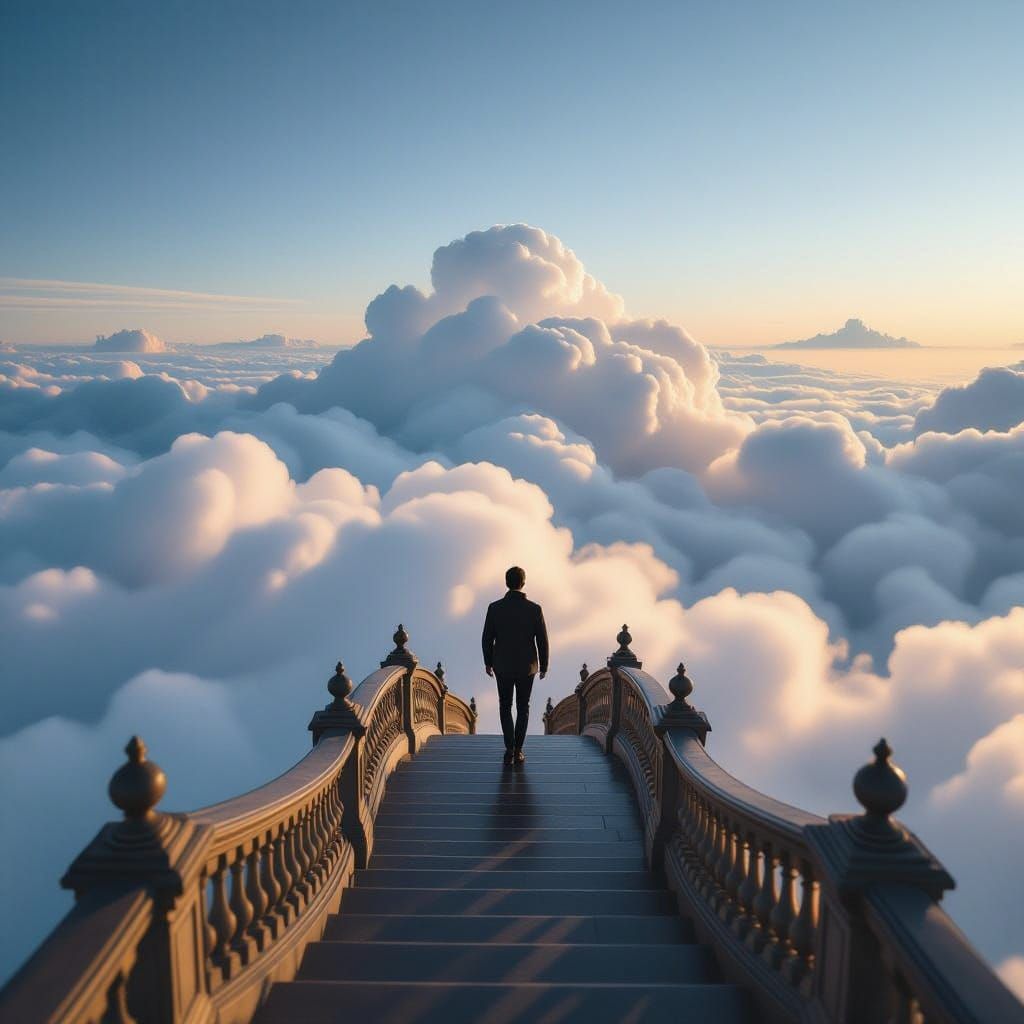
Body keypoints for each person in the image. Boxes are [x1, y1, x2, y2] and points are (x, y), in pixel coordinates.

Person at [481, 566, 549, 765]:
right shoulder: (534, 609)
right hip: (527, 667)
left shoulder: (494, 608)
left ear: (506, 582)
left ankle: (509, 749)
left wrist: (488, 662)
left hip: (502, 664)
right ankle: (519, 750)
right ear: (523, 582)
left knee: (505, 706)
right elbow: (542, 640)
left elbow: (487, 638)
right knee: (523, 707)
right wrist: (544, 665)